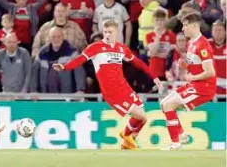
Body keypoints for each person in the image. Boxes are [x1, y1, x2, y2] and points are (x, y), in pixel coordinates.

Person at [53, 19, 162, 149]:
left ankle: (127, 139)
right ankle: (128, 137)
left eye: (110, 32)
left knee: (143, 118)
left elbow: (138, 63)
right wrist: (64, 67)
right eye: (105, 32)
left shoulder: (121, 48)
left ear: (117, 32)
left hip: (125, 88)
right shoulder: (95, 47)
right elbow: (79, 60)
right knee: (141, 115)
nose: (107, 35)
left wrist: (154, 77)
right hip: (112, 92)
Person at [160, 13, 217, 150]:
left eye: (185, 25)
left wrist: (192, 77)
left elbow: (210, 72)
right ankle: (182, 135)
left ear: (195, 26)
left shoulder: (203, 45)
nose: (183, 29)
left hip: (203, 88)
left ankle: (176, 143)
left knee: (168, 106)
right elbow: (197, 68)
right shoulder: (192, 43)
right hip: (195, 84)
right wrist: (186, 67)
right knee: (163, 104)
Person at [31, 27, 85, 93]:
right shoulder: (42, 53)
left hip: (66, 96)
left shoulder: (72, 51)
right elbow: (34, 73)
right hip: (45, 95)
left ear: (63, 37)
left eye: (59, 36)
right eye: (53, 37)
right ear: (50, 38)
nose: (56, 39)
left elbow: (79, 72)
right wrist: (33, 90)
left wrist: (80, 89)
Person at [146, 9, 176, 80]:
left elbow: (168, 55)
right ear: (153, 21)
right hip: (154, 69)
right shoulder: (149, 35)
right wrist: (157, 37)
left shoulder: (171, 35)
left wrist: (154, 53)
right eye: (157, 20)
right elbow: (153, 52)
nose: (159, 22)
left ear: (165, 21)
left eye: (162, 20)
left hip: (167, 70)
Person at [209, 20, 226, 94]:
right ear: (212, 32)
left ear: (225, 32)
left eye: (220, 30)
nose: (218, 32)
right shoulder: (206, 45)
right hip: (210, 86)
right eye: (215, 30)